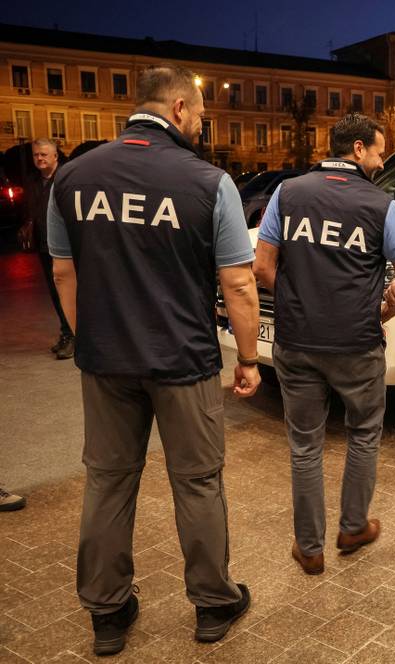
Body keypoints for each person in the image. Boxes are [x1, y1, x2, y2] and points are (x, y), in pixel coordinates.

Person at [48, 64, 259, 655]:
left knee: (109, 482)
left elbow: (64, 269)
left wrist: (88, 336)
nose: (201, 125)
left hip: (106, 360)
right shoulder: (209, 182)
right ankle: (214, 604)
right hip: (183, 358)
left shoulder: (72, 176)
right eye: (199, 115)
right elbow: (238, 284)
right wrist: (247, 359)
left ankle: (107, 614)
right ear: (179, 110)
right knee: (196, 482)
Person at [253, 113, 395, 576]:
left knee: (304, 445)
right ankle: (351, 526)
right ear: (359, 149)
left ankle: (309, 548)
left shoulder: (288, 192)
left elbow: (262, 267)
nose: (382, 161)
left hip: (297, 341)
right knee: (364, 433)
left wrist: (294, 305)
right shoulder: (381, 205)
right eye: (380, 151)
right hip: (357, 345)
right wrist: (379, 313)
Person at [20, 139, 74, 359]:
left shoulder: (66, 178)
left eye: (44, 154)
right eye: (36, 155)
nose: (39, 159)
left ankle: (72, 335)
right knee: (54, 292)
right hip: (44, 245)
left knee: (68, 289)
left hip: (66, 246)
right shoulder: (32, 181)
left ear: (55, 156)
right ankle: (67, 332)